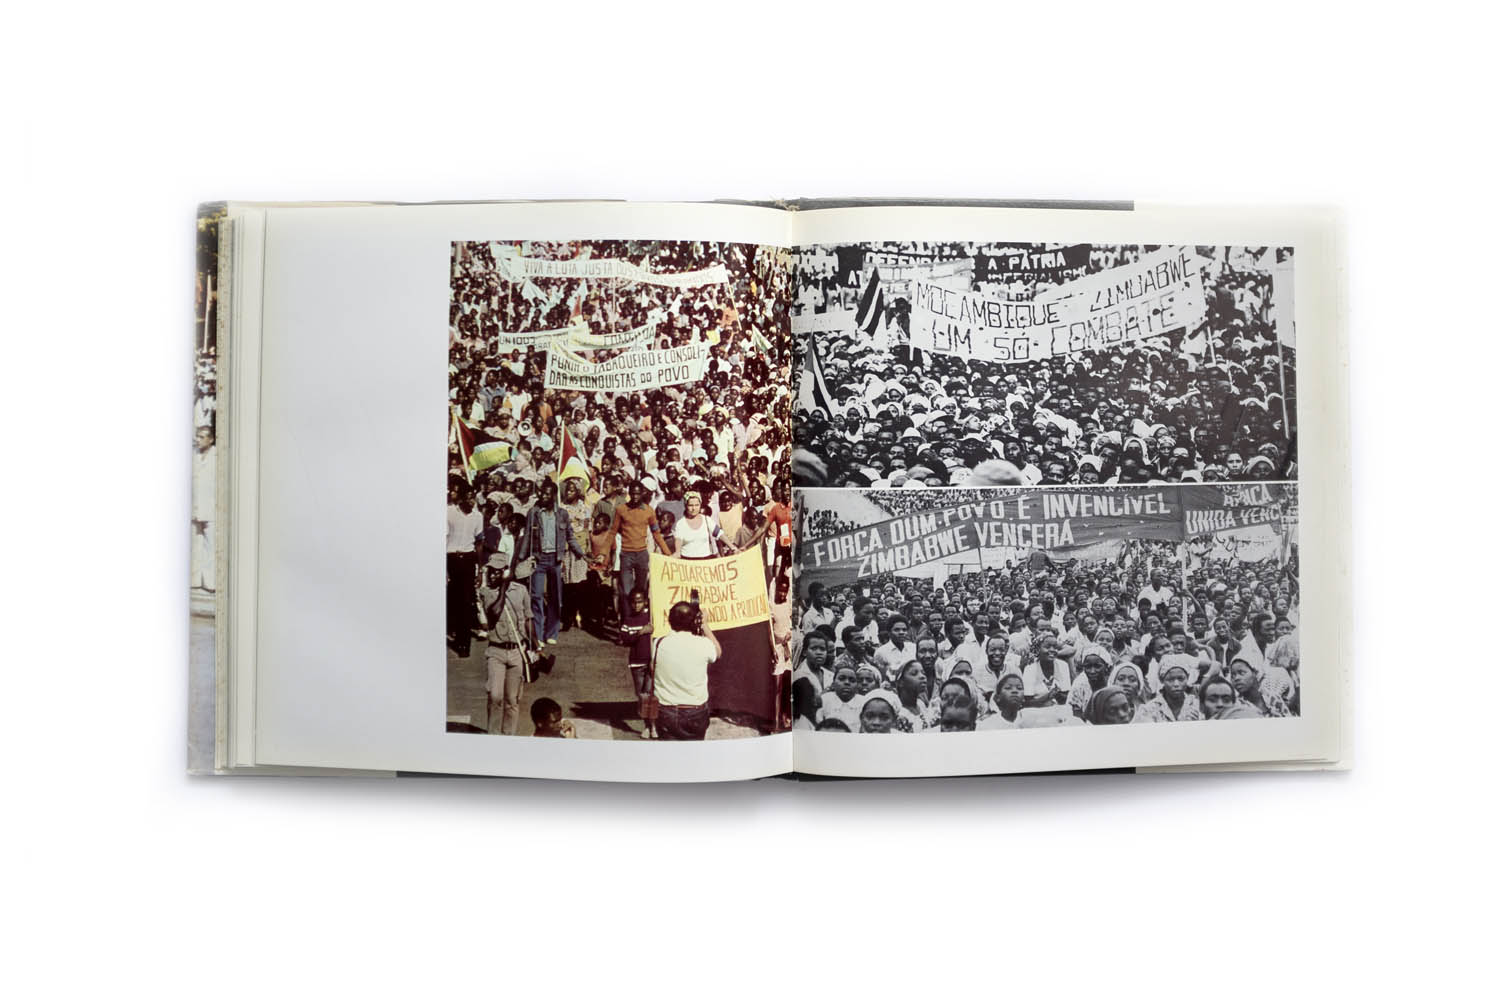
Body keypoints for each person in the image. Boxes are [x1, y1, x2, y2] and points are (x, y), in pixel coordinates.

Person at [516, 479, 587, 646]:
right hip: (538, 559)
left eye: (547, 494)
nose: (543, 496)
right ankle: (538, 634)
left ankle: (551, 632)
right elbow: (527, 536)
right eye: (542, 493)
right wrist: (521, 557)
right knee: (536, 596)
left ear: (554, 495)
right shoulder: (533, 513)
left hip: (555, 559)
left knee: (555, 597)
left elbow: (570, 536)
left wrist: (582, 554)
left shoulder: (562, 514)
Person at [651, 600, 722, 740]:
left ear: (670, 621)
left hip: (665, 711)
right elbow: (718, 652)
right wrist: (704, 625)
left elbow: (653, 667)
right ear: (694, 622)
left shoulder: (658, 643)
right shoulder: (703, 644)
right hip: (695, 712)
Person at [479, 564, 536, 736]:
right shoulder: (487, 592)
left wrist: (536, 645)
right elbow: (494, 612)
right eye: (491, 572)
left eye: (497, 572)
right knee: (495, 696)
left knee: (512, 699)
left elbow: (528, 618)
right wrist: (503, 586)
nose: (493, 575)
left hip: (516, 651)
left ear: (506, 571)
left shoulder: (521, 590)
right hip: (496, 652)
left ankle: (509, 736)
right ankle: (493, 735)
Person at [608, 482, 671, 614]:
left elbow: (656, 533)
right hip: (626, 555)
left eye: (638, 494)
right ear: (629, 493)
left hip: (642, 554)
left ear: (642, 493)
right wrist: (605, 554)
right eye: (633, 494)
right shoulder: (621, 510)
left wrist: (668, 554)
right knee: (626, 591)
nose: (635, 497)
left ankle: (641, 618)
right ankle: (627, 619)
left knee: (641, 591)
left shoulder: (649, 511)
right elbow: (613, 532)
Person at [446, 482, 483, 656]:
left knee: (467, 602)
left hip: (468, 560)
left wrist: (480, 570)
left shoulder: (477, 516)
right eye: (467, 498)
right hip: (451, 559)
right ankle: (453, 632)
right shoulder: (449, 513)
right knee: (453, 601)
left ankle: (464, 644)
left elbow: (479, 543)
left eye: (473, 498)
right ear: (460, 498)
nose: (471, 501)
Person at [619, 588, 656, 739]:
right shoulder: (628, 620)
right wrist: (640, 632)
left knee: (650, 695)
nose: (636, 605)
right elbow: (625, 639)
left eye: (639, 602)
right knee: (641, 696)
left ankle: (653, 725)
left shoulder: (651, 617)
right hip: (636, 664)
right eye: (634, 602)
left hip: (651, 662)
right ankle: (646, 725)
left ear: (645, 602)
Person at [1134, 658, 1203, 722]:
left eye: (1181, 679)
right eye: (1170, 679)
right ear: (1162, 680)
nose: (1176, 684)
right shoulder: (1149, 709)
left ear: (1187, 678)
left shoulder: (1197, 706)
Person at [671, 489, 735, 558]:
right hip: (688, 561)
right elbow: (678, 540)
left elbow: (719, 534)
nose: (694, 508)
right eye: (690, 505)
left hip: (705, 560)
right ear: (686, 506)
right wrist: (677, 552)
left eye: (696, 505)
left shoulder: (707, 520)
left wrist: (733, 548)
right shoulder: (681, 524)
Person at [1227, 655, 1292, 718]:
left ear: (1255, 672)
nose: (1236, 678)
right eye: (1233, 675)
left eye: (1241, 673)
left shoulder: (1272, 698)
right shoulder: (1236, 707)